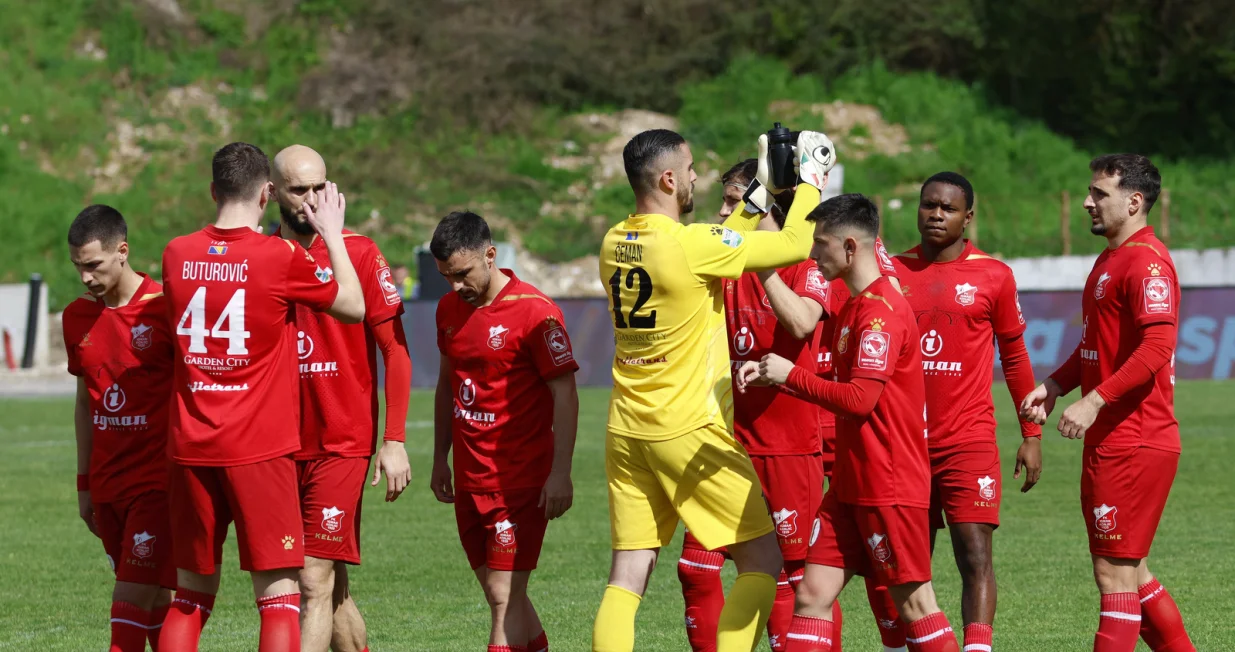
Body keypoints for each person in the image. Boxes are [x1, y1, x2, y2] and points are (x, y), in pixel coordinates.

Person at [592, 127, 835, 652]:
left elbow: (717, 242)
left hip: (626, 430)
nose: (699, 176)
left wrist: (759, 194)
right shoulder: (692, 244)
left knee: (628, 574)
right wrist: (813, 179)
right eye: (692, 167)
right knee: (763, 560)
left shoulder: (614, 241)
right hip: (689, 429)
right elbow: (794, 243)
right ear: (668, 178)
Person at [159, 142, 366, 651]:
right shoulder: (279, 257)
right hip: (257, 450)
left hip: (189, 447)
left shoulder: (176, 253)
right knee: (278, 599)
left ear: (213, 191)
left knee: (189, 598)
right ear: (267, 193)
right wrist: (333, 236)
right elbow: (353, 306)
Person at [738, 193, 960, 652]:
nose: (813, 254)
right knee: (812, 595)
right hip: (849, 484)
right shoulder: (857, 306)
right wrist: (773, 375)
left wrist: (789, 376)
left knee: (915, 606)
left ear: (852, 247)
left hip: (888, 484)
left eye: (821, 244)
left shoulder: (880, 313)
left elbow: (860, 400)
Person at [1021, 155, 1194, 652]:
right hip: (1115, 438)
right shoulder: (1111, 258)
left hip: (1137, 438)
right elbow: (1097, 345)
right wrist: (1055, 386)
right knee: (1132, 571)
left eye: (1099, 194)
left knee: (1112, 574)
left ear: (1134, 201)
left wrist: (1094, 401)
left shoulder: (1147, 261)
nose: (1087, 202)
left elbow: (1157, 347)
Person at [675, 158, 833, 652]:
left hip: (788, 447)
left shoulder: (808, 263)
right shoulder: (717, 260)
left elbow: (803, 323)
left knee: (795, 579)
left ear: (773, 208)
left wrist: (758, 264)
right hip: (722, 442)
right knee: (695, 568)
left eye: (735, 202)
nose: (723, 214)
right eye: (723, 201)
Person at [270, 145, 413, 652]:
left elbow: (396, 352)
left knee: (311, 580)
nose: (311, 201)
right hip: (277, 445)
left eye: (319, 188)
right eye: (298, 190)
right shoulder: (265, 258)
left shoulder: (359, 253)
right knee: (328, 587)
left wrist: (393, 440)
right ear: (272, 194)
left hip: (341, 443)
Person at [892, 172, 1042, 652]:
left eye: (948, 208)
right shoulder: (891, 272)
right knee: (909, 564)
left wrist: (1031, 432)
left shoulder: (993, 275)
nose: (936, 214)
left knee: (975, 556)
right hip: (905, 443)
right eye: (928, 205)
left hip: (968, 441)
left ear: (967, 217)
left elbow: (1016, 358)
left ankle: (978, 648)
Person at [430, 211, 579, 652]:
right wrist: (441, 457)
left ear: (491, 255)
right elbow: (446, 385)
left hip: (519, 481)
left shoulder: (536, 312)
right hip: (470, 479)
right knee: (506, 597)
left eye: (462, 274)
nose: (455, 286)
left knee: (502, 597)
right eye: (445, 277)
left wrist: (560, 472)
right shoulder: (448, 309)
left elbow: (566, 396)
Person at [63, 205, 176, 652]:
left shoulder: (165, 307)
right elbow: (84, 405)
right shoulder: (77, 318)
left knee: (128, 600)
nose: (85, 277)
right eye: (78, 267)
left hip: (159, 483)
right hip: (108, 486)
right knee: (154, 602)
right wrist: (84, 484)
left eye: (93, 265)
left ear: (123, 251)